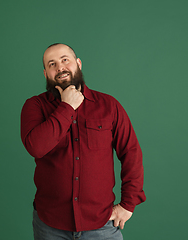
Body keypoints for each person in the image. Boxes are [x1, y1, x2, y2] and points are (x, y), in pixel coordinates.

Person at [20, 43, 146, 240]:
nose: (60, 67)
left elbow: (131, 152)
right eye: (52, 64)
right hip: (50, 226)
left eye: (65, 60)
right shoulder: (35, 106)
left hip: (102, 225)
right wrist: (67, 107)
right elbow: (36, 147)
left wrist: (128, 204)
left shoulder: (109, 105)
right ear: (46, 74)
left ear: (78, 63)